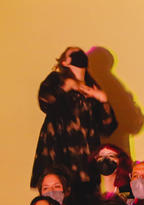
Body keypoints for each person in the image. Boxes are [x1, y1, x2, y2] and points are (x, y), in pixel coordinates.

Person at [32, 46, 118, 190]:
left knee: (86, 201)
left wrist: (103, 100)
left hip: (86, 161)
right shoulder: (56, 79)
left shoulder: (93, 87)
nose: (80, 54)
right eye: (74, 53)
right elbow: (45, 102)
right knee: (58, 197)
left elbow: (108, 128)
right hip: (59, 153)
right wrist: (67, 85)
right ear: (64, 62)